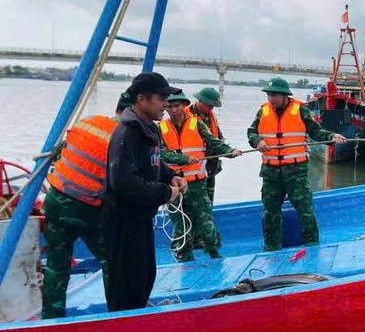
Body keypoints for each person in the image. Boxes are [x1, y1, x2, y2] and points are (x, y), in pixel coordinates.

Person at [101, 72, 188, 312]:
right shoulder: (126, 134)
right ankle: (121, 325)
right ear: (141, 99)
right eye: (161, 99)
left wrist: (171, 176)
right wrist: (165, 193)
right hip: (123, 222)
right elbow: (124, 184)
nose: (166, 105)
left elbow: (154, 163)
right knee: (126, 286)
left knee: (145, 276)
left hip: (141, 219)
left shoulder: (149, 128)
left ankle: (136, 316)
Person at [41, 93, 132, 319]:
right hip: (88, 209)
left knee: (56, 265)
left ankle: (51, 319)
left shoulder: (87, 123)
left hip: (56, 201)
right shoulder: (122, 138)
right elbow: (124, 184)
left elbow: (60, 153)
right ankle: (119, 315)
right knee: (112, 260)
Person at [246, 77, 347, 251]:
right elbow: (251, 133)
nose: (271, 98)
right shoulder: (263, 112)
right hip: (271, 172)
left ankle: (312, 245)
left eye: (274, 95)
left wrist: (331, 136)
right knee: (270, 212)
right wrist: (257, 141)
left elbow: (316, 132)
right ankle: (271, 247)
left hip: (295, 172)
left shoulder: (300, 111)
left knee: (304, 209)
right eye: (269, 95)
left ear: (285, 95)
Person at [160, 92, 241, 262]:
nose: (173, 110)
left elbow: (214, 142)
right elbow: (161, 153)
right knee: (180, 225)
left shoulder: (197, 124)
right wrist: (183, 158)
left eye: (177, 106)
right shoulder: (160, 128)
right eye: (169, 106)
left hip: (196, 185)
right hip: (174, 187)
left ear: (184, 106)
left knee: (206, 221)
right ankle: (185, 257)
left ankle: (214, 252)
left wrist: (230, 152)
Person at [184, 87, 225, 204]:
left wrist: (227, 150)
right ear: (200, 101)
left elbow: (218, 137)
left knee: (208, 201)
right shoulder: (184, 116)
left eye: (213, 106)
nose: (212, 108)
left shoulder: (211, 116)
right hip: (192, 168)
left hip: (210, 166)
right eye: (210, 105)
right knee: (191, 202)